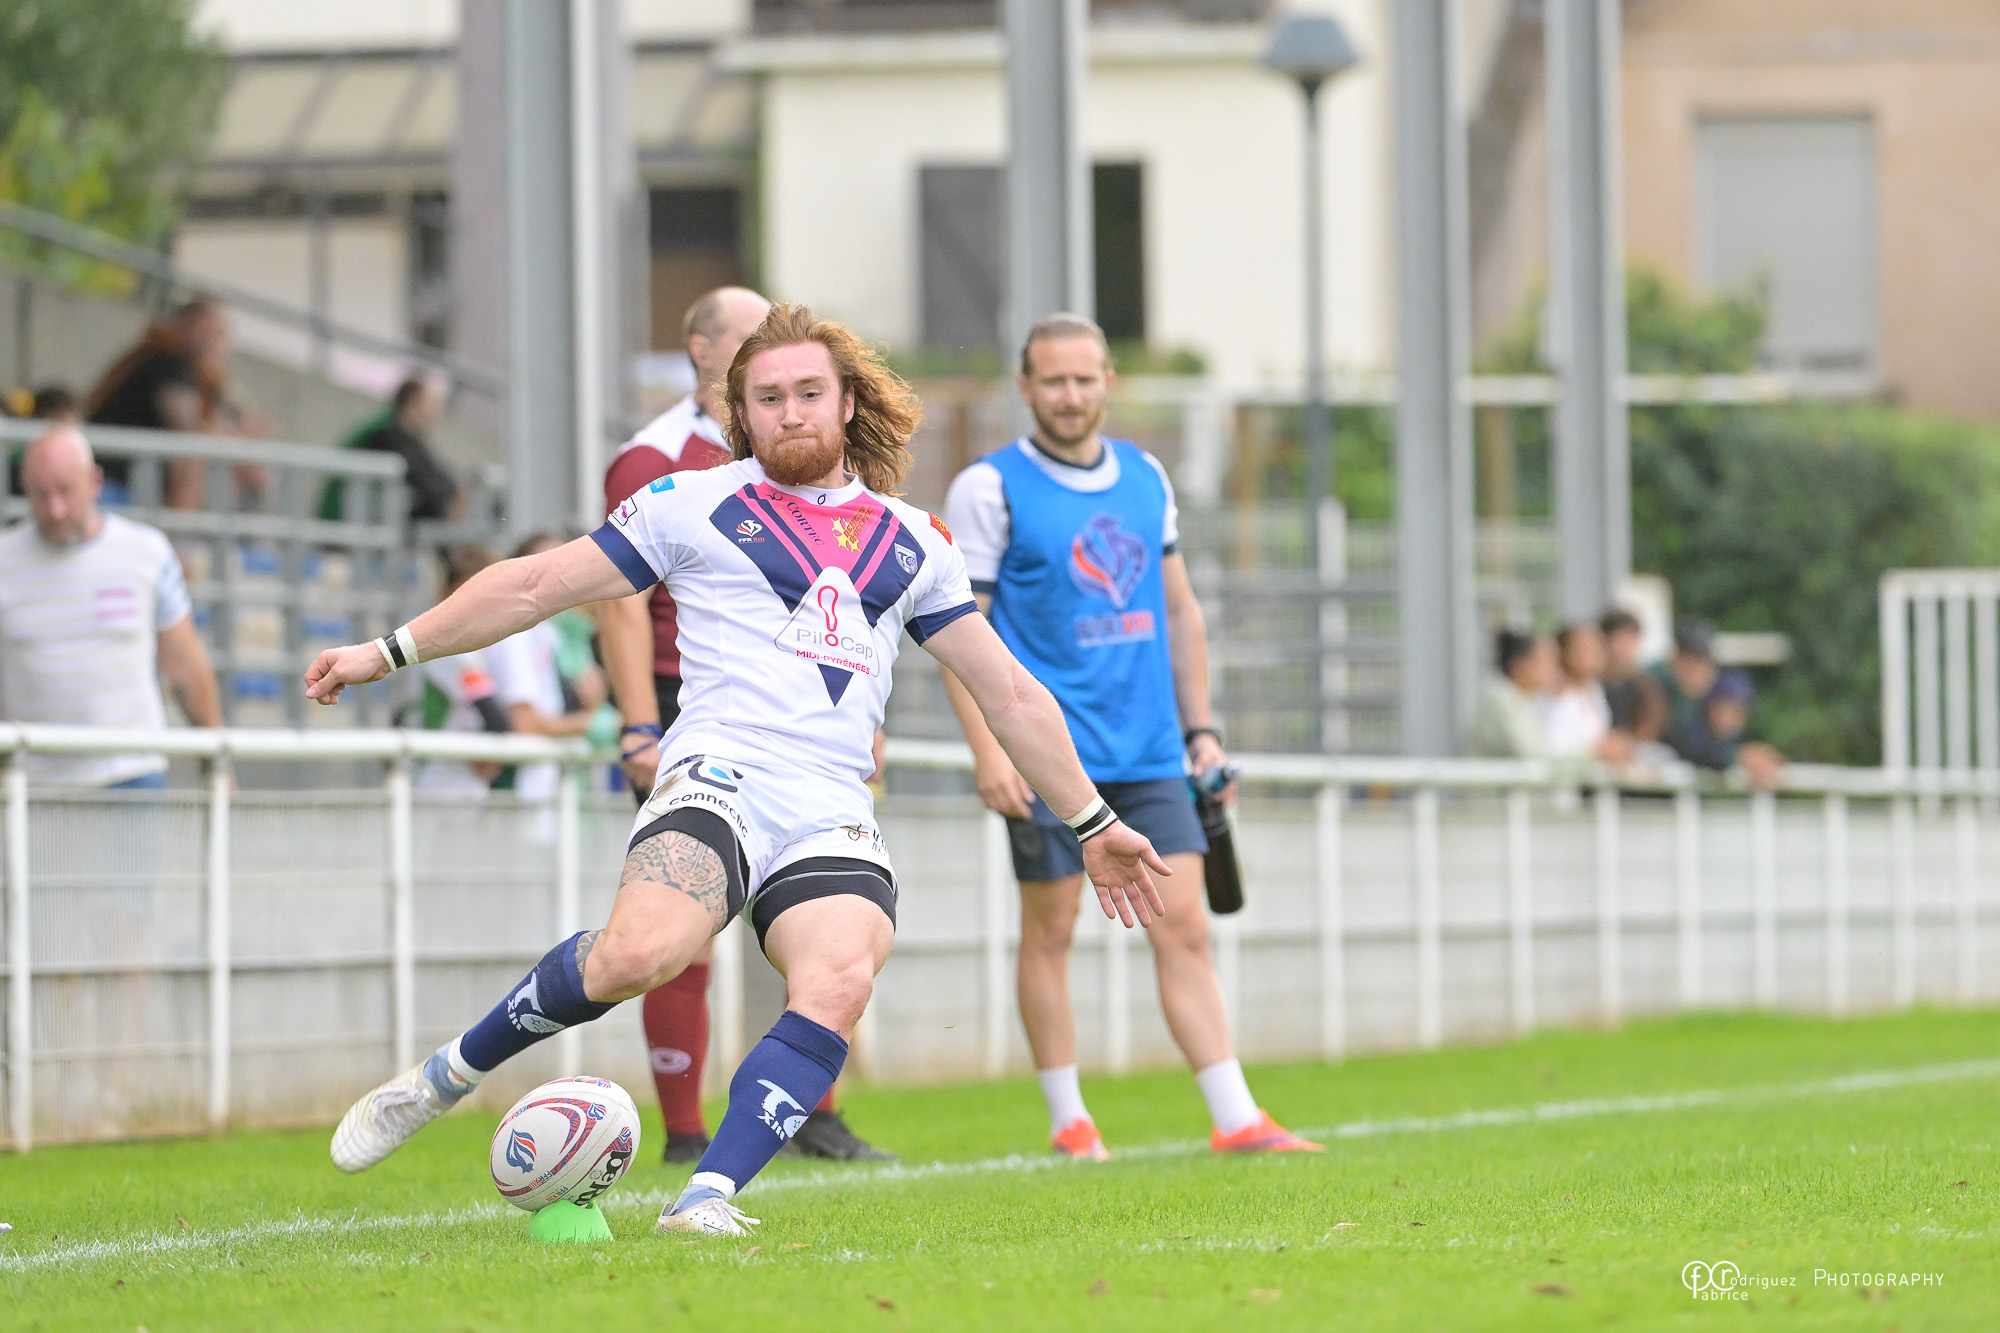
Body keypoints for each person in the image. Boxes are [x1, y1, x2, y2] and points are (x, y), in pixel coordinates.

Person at [307, 303, 1170, 1239]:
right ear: (740, 412)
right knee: (636, 957)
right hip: (718, 779)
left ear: (847, 404)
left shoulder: (914, 540)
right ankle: (441, 1078)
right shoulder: (688, 504)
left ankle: (704, 1197)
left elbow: (1009, 693)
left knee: (839, 978)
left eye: (809, 392)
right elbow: (532, 585)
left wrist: (1092, 822)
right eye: (768, 397)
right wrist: (387, 651)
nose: (790, 411)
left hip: (832, 806)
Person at [941, 313, 1320, 1160]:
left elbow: (1180, 611)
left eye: (1085, 378)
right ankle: (1069, 1121)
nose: (1070, 395)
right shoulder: (989, 489)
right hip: (1052, 758)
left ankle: (1236, 1117)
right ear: (1025, 386)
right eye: (1053, 380)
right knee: (1051, 929)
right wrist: (990, 751)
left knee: (1185, 926)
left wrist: (1202, 733)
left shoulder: (1146, 475)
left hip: (1151, 753)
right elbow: (960, 633)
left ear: (1109, 381)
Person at [0, 426, 221, 785]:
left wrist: (216, 764)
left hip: (130, 772)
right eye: (41, 494)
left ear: (94, 482)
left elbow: (184, 665)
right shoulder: (4, 560)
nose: (56, 509)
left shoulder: (146, 553)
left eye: (66, 491)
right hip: (32, 781)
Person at [86, 298, 268, 509]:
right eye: (207, 329)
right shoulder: (166, 359)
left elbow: (246, 417)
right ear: (186, 326)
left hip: (137, 474)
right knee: (196, 456)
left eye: (220, 332)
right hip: (115, 472)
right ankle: (181, 529)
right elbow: (190, 426)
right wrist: (235, 441)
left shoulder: (198, 372)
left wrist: (223, 382)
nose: (214, 340)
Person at [1650, 618, 1785, 784]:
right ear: (1676, 657)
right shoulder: (1653, 686)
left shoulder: (1696, 696)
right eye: (1695, 662)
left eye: (1707, 664)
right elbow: (1684, 748)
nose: (1700, 672)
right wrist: (1736, 757)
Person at [323, 375, 461, 523]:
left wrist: (453, 492)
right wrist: (452, 496)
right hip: (341, 515)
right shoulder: (385, 432)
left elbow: (428, 466)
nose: (435, 414)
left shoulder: (399, 428)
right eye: (431, 406)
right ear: (412, 403)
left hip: (358, 512)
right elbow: (417, 471)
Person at [1542, 621, 1634, 763]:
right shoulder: (1555, 691)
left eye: (1597, 648)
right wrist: (1596, 751)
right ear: (1565, 652)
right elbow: (1553, 745)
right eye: (1585, 649)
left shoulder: (1594, 689)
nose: (1594, 656)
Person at [1468, 630, 1557, 759]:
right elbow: (1529, 752)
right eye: (1544, 661)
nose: (1552, 668)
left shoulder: (1528, 699)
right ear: (1519, 664)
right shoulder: (1500, 699)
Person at [1599, 608, 1664, 740]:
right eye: (1620, 640)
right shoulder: (1590, 682)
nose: (1626, 649)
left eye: (1631, 641)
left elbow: (1651, 722)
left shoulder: (1643, 685)